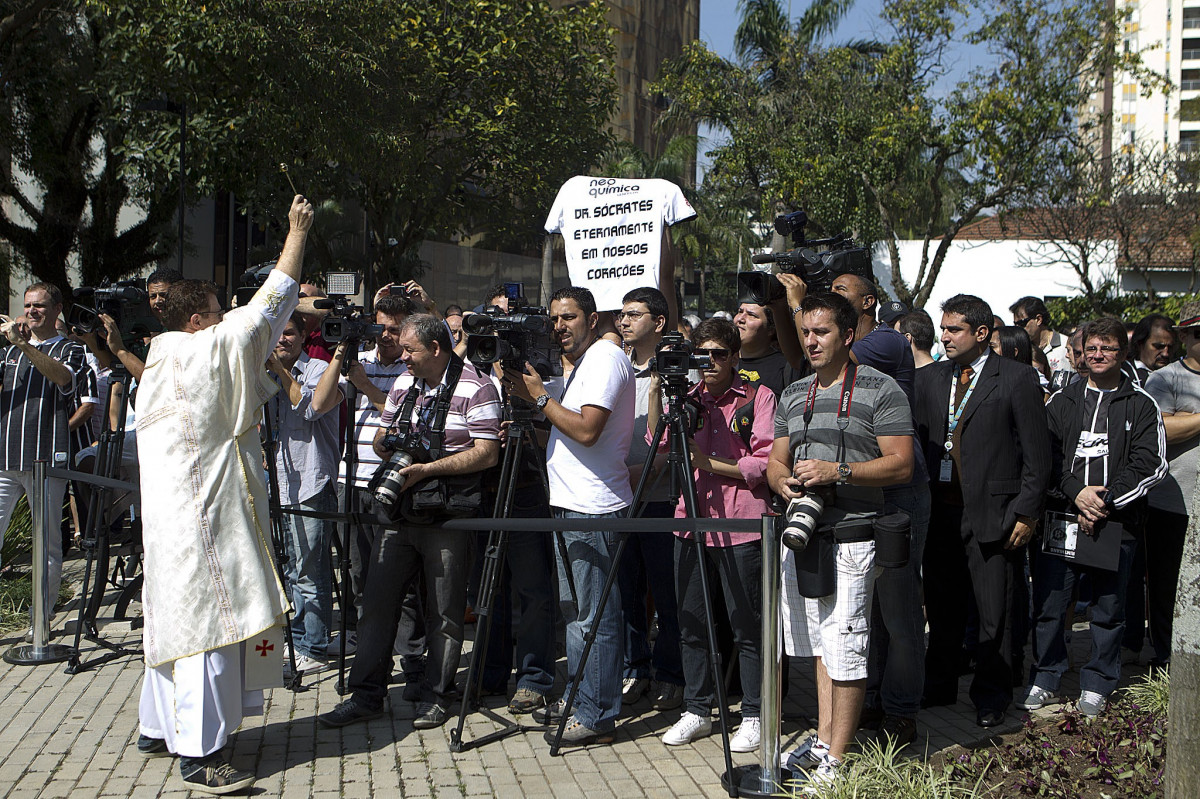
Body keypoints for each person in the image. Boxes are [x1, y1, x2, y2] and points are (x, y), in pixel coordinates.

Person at [135, 195, 313, 794]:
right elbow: (270, 308)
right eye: (215, 310)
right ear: (196, 321)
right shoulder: (203, 350)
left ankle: (160, 728)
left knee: (175, 625)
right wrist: (295, 234)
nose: (223, 316)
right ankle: (202, 754)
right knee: (214, 625)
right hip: (204, 519)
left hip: (166, 523)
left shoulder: (157, 362)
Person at [318, 314, 502, 731]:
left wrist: (430, 467)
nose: (403, 358)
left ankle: (438, 695)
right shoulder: (405, 383)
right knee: (378, 604)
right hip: (400, 511)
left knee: (445, 611)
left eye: (410, 350)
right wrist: (391, 445)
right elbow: (382, 436)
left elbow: (488, 453)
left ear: (436, 349)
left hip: (447, 516)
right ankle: (366, 696)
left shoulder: (477, 386)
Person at [772, 292, 914, 789]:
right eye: (806, 332)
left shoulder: (882, 389)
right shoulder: (794, 393)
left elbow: (901, 463)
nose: (810, 341)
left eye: (821, 332)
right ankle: (823, 742)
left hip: (854, 537)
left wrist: (840, 471)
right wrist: (782, 481)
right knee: (818, 648)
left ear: (847, 335)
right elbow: (775, 461)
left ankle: (835, 759)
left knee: (847, 646)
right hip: (803, 533)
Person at [501, 286, 636, 747]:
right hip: (570, 502)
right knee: (575, 613)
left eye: (569, 318)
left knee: (596, 615)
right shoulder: (583, 365)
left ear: (593, 319)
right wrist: (530, 413)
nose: (559, 327)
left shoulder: (604, 358)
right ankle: (582, 697)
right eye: (554, 319)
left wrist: (539, 398)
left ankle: (597, 713)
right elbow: (564, 438)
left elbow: (587, 430)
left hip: (593, 507)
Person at [914, 294, 1051, 729]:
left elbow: (1037, 455)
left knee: (995, 612)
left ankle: (993, 694)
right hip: (940, 513)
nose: (945, 336)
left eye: (953, 329)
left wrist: (1028, 512)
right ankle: (939, 684)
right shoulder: (931, 379)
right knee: (942, 605)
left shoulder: (1016, 378)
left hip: (996, 513)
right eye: (943, 328)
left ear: (981, 333)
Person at [1018, 318, 1165, 718]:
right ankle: (1046, 676)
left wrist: (1104, 502)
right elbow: (1043, 457)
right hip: (1063, 520)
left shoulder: (1141, 404)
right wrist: (1076, 493)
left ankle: (1098, 683)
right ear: (1081, 353)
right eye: (1092, 349)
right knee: (1050, 605)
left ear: (1124, 353)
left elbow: (1150, 464)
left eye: (1108, 348)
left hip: (1117, 524)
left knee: (1107, 610)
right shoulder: (1063, 401)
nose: (1098, 355)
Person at [648, 317, 775, 752]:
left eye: (719, 354)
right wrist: (655, 387)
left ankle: (756, 713)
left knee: (748, 625)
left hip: (742, 524)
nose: (711, 363)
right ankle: (697, 708)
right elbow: (658, 443)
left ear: (735, 356)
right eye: (702, 355)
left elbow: (765, 463)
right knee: (691, 622)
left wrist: (709, 464)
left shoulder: (758, 396)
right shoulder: (687, 398)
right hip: (691, 521)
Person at [311, 292, 416, 658]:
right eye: (380, 327)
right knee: (356, 571)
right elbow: (320, 404)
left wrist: (367, 387)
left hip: (392, 482)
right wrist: (341, 353)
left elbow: (406, 420)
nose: (386, 336)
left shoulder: (414, 367)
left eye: (394, 329)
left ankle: (405, 652)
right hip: (350, 478)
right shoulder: (358, 361)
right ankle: (363, 641)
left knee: (396, 575)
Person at [615, 287, 685, 712]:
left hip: (662, 499)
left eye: (634, 314)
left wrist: (643, 475)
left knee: (668, 592)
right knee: (626, 591)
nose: (623, 321)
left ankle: (672, 675)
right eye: (621, 314)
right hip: (621, 500)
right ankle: (634, 668)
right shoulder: (617, 368)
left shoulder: (677, 372)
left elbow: (671, 442)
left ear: (658, 323)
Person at [0, 283, 87, 613]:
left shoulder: (69, 349)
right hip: (5, 457)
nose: (31, 311)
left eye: (39, 305)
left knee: (46, 544)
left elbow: (63, 379)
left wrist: (23, 345)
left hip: (46, 459)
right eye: (27, 306)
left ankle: (42, 617)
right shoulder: (7, 352)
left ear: (57, 309)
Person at [266, 312, 342, 675]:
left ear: (302, 337)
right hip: (279, 482)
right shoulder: (262, 372)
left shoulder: (319, 369)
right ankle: (297, 637)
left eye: (290, 333)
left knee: (311, 569)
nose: (282, 340)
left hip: (312, 479)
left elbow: (309, 407)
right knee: (289, 568)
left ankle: (313, 642)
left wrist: (281, 372)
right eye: (277, 334)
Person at [1141, 301, 1200, 671]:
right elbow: (1161, 429)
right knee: (1167, 585)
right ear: (1184, 337)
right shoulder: (1165, 379)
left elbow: (1180, 424)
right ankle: (1168, 659)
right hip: (1173, 501)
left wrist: (1188, 418)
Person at [733, 299, 803, 397]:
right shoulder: (721, 358)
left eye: (752, 315)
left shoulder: (785, 367)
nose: (740, 319)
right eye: (740, 312)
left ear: (771, 329)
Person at [1010, 297, 1070, 373]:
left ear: (1038, 319)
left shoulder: (1066, 346)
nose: (1018, 328)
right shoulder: (1019, 349)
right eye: (1015, 324)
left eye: (1022, 323)